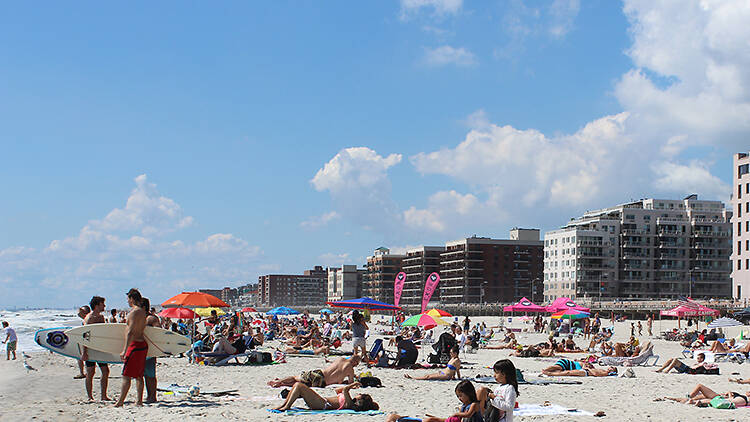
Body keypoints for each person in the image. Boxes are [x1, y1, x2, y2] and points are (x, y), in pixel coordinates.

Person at [114, 288, 148, 407]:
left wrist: (124, 349)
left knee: (126, 375)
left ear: (132, 298)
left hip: (135, 346)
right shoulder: (143, 312)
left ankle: (120, 402)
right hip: (142, 345)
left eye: (128, 299)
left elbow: (130, 331)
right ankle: (139, 401)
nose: (127, 301)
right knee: (139, 375)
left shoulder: (134, 312)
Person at [273, 381, 378, 412]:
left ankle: (286, 406)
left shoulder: (349, 403)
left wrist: (353, 384)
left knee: (299, 386)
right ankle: (285, 404)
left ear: (361, 399)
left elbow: (345, 389)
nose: (358, 394)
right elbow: (338, 390)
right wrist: (351, 387)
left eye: (361, 395)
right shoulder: (348, 400)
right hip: (321, 401)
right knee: (297, 385)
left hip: (322, 404)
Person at [268, 355, 361, 388]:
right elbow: (350, 383)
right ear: (355, 362)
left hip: (320, 373)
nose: (357, 365)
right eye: (357, 363)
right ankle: (281, 383)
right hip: (322, 382)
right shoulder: (350, 369)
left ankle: (279, 381)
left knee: (296, 378)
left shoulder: (340, 359)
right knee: (300, 384)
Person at [82, 296, 110, 401]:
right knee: (90, 372)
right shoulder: (89, 318)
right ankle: (90, 397)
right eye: (103, 304)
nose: (104, 306)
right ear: (97, 305)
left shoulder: (101, 318)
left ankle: (104, 396)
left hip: (100, 348)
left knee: (105, 371)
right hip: (90, 349)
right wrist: (84, 352)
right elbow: (84, 336)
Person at [664, 383, 749, 407]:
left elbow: (730, 399)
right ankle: (677, 399)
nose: (748, 391)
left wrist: (729, 393)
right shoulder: (742, 396)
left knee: (700, 387)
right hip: (719, 397)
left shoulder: (743, 397)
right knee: (700, 396)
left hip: (719, 397)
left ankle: (688, 398)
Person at [142, 298, 159, 404]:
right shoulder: (140, 318)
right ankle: (149, 395)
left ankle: (153, 396)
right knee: (145, 374)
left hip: (150, 350)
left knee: (151, 374)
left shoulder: (151, 318)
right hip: (142, 349)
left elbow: (159, 332)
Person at [542, 359, 617, 377]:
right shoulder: (603, 370)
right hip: (585, 371)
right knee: (568, 372)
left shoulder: (605, 373)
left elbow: (595, 374)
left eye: (612, 368)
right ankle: (550, 373)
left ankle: (550, 373)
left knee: (568, 373)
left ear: (612, 371)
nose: (610, 367)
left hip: (586, 372)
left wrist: (588, 368)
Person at [75, 305, 91, 379]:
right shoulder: (86, 319)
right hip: (84, 340)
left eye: (82, 311)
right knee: (79, 357)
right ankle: (82, 372)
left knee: (81, 356)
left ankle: (83, 373)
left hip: (87, 342)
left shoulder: (88, 319)